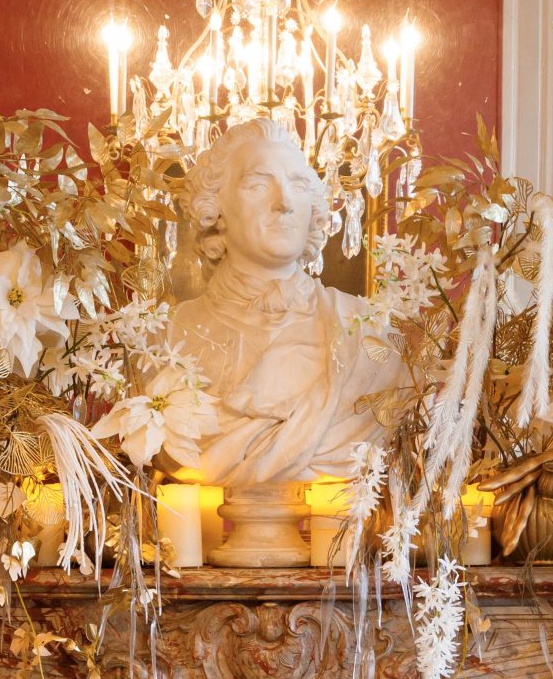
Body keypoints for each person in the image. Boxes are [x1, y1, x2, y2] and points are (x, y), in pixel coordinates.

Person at [165, 116, 400, 493]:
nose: (285, 202)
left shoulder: (367, 331)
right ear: (215, 209)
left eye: (299, 185)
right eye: (258, 185)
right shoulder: (167, 336)